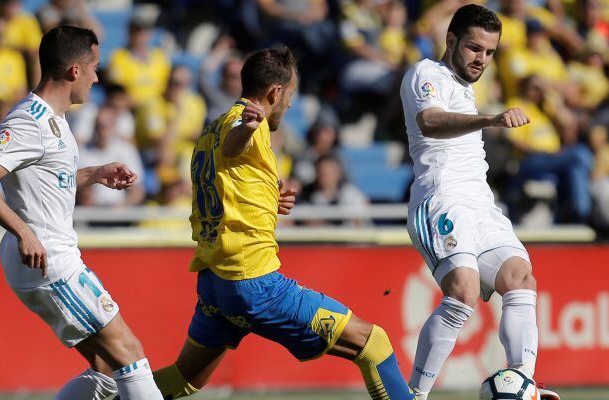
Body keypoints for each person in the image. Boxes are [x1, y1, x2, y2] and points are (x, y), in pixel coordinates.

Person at [149, 48, 416, 400]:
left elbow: (227, 179)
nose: (290, 105)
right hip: (252, 282)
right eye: (290, 95)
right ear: (276, 92)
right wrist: (248, 128)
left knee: (184, 380)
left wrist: (268, 199)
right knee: (373, 344)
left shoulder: (208, 132)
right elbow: (234, 146)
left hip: (216, 281)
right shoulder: (246, 124)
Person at [0, 26, 163, 399]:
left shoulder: (54, 120)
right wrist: (24, 231)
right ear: (74, 70)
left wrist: (95, 173)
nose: (97, 77)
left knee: (105, 371)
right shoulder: (29, 120)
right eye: (95, 67)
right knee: (131, 355)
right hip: (48, 258)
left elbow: (47, 177)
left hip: (48, 254)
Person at [399, 5, 560, 400]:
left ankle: (525, 386)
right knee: (464, 291)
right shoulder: (426, 74)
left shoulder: (468, 88)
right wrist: (490, 120)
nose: (481, 59)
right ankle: (414, 396)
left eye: (490, 53)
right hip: (440, 200)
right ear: (450, 40)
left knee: (521, 276)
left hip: (481, 205)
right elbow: (430, 121)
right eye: (474, 48)